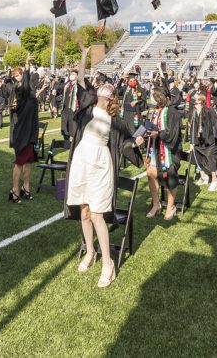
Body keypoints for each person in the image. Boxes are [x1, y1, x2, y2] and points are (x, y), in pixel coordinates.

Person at [64, 45, 141, 288]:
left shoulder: (115, 120)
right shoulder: (88, 107)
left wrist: (135, 143)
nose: (105, 87)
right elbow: (81, 79)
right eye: (103, 87)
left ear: (112, 97)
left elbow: (124, 143)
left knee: (98, 214)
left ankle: (108, 263)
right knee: (84, 211)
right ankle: (90, 251)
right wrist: (84, 55)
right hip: (82, 160)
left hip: (101, 164)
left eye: (109, 88)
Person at [136, 86, 181, 220]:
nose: (154, 100)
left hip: (169, 151)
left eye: (156, 97)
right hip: (155, 148)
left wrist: (158, 134)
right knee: (150, 173)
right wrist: (141, 134)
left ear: (163, 97)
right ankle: (156, 204)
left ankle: (170, 206)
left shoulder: (172, 112)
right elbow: (150, 126)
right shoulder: (155, 111)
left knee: (169, 177)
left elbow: (172, 134)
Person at [8, 60, 39, 203]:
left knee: (29, 161)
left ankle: (26, 186)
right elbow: (26, 84)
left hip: (31, 132)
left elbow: (30, 88)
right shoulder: (20, 91)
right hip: (22, 132)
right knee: (20, 162)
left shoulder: (30, 95)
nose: (17, 77)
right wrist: (26, 66)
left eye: (19, 74)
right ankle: (15, 189)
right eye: (15, 75)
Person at [187, 87, 217, 191]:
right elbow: (192, 128)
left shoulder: (209, 111)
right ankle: (203, 176)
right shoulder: (193, 113)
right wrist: (191, 142)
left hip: (209, 140)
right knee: (195, 156)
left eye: (196, 101)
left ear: (202, 102)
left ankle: (215, 180)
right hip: (198, 140)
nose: (194, 103)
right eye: (194, 102)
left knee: (211, 158)